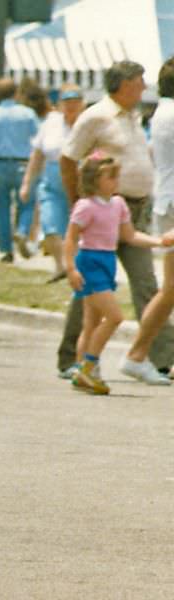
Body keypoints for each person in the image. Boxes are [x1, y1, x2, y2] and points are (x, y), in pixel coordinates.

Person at [57, 60, 174, 383]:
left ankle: (161, 359)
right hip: (100, 213)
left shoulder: (134, 116)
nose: (143, 87)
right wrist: (79, 203)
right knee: (91, 289)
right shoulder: (97, 116)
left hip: (131, 211)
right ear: (123, 84)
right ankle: (71, 358)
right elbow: (68, 158)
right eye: (139, 81)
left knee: (147, 285)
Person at [64, 153, 170, 395]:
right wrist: (70, 268)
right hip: (89, 261)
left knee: (91, 322)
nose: (115, 181)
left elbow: (130, 236)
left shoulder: (118, 204)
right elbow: (70, 238)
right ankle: (89, 365)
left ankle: (83, 370)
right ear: (93, 179)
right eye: (109, 176)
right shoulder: (85, 206)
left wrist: (159, 241)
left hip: (107, 260)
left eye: (116, 176)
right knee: (114, 316)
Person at [121, 57, 174, 385]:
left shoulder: (162, 113)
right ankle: (136, 354)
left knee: (170, 290)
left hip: (166, 201)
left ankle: (138, 354)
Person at [19, 84, 85, 283]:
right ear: (59, 105)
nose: (70, 107)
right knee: (50, 223)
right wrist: (27, 182)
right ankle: (60, 265)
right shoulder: (51, 122)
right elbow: (37, 154)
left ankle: (75, 266)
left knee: (77, 225)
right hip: (52, 177)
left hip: (78, 178)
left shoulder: (86, 123)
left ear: (82, 104)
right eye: (66, 103)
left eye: (75, 103)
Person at [0, 77, 40, 262]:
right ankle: (22, 230)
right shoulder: (27, 113)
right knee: (27, 202)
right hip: (23, 161)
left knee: (2, 207)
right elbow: (38, 138)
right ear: (16, 93)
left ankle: (6, 249)